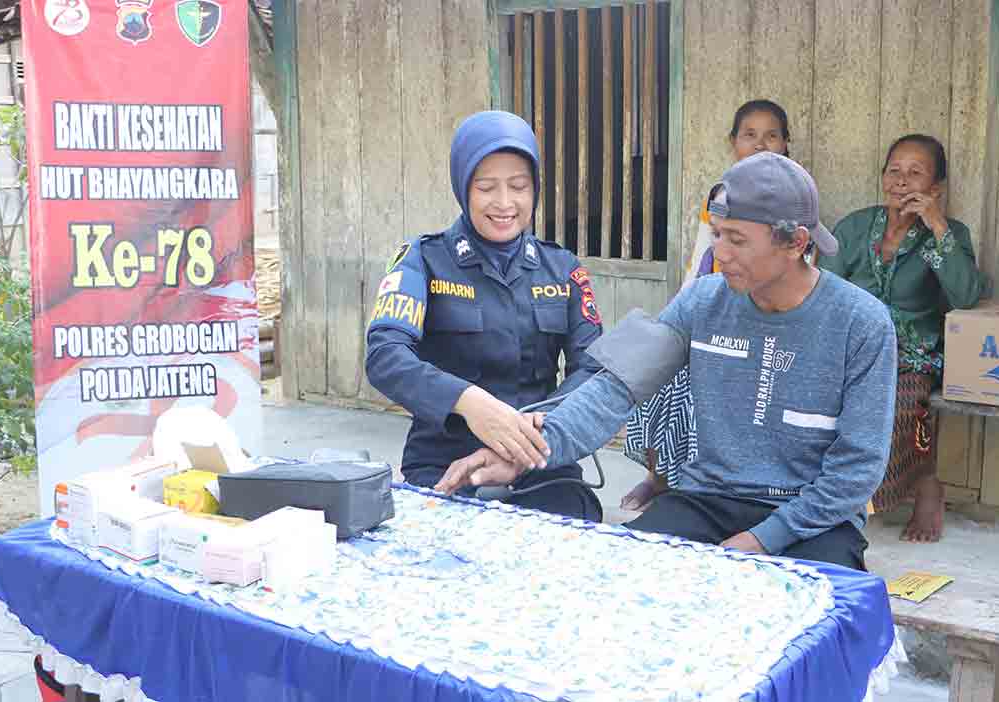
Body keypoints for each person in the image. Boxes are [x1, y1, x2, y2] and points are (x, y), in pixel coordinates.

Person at [436, 152, 897, 570]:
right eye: (718, 235)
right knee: (619, 577)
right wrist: (522, 454)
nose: (720, 252)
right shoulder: (701, 301)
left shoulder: (862, 323)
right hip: (708, 500)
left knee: (813, 615)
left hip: (813, 520)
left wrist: (761, 541)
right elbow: (614, 389)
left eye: (737, 239)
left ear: (796, 242)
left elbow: (857, 471)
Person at [365, 110, 604, 521]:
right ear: (463, 188)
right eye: (486, 187)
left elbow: (594, 369)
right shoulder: (423, 260)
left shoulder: (562, 268)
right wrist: (469, 403)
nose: (505, 203)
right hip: (445, 465)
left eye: (519, 186)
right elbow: (385, 355)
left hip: (540, 461)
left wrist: (537, 429)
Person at [621, 99, 793, 511]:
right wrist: (677, 325)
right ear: (732, 142)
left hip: (765, 326)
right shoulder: (719, 196)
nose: (760, 144)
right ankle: (660, 475)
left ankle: (702, 486)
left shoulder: (795, 198)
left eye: (771, 135)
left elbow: (800, 278)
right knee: (661, 376)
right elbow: (701, 263)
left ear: (786, 144)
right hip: (713, 313)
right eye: (749, 135)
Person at [820, 134, 987, 543]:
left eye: (916, 173)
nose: (901, 181)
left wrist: (937, 225)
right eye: (894, 170)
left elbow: (966, 295)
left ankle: (924, 483)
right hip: (851, 345)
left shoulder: (948, 234)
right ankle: (822, 494)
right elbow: (823, 291)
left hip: (912, 353)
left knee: (895, 401)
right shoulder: (856, 228)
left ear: (936, 188)